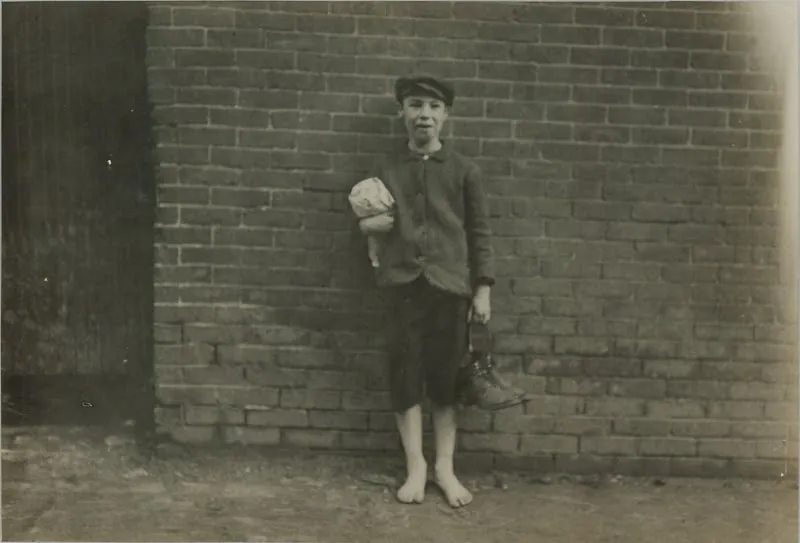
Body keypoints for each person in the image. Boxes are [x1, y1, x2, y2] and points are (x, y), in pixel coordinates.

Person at [354, 74, 495, 508]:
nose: (424, 116)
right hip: (401, 287)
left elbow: (480, 233)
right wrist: (365, 225)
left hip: (449, 289)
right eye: (415, 106)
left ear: (446, 116)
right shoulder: (387, 171)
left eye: (433, 108)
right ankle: (415, 466)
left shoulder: (464, 171)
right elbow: (369, 227)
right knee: (405, 377)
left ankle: (444, 468)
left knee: (446, 381)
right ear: (403, 112)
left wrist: (483, 288)